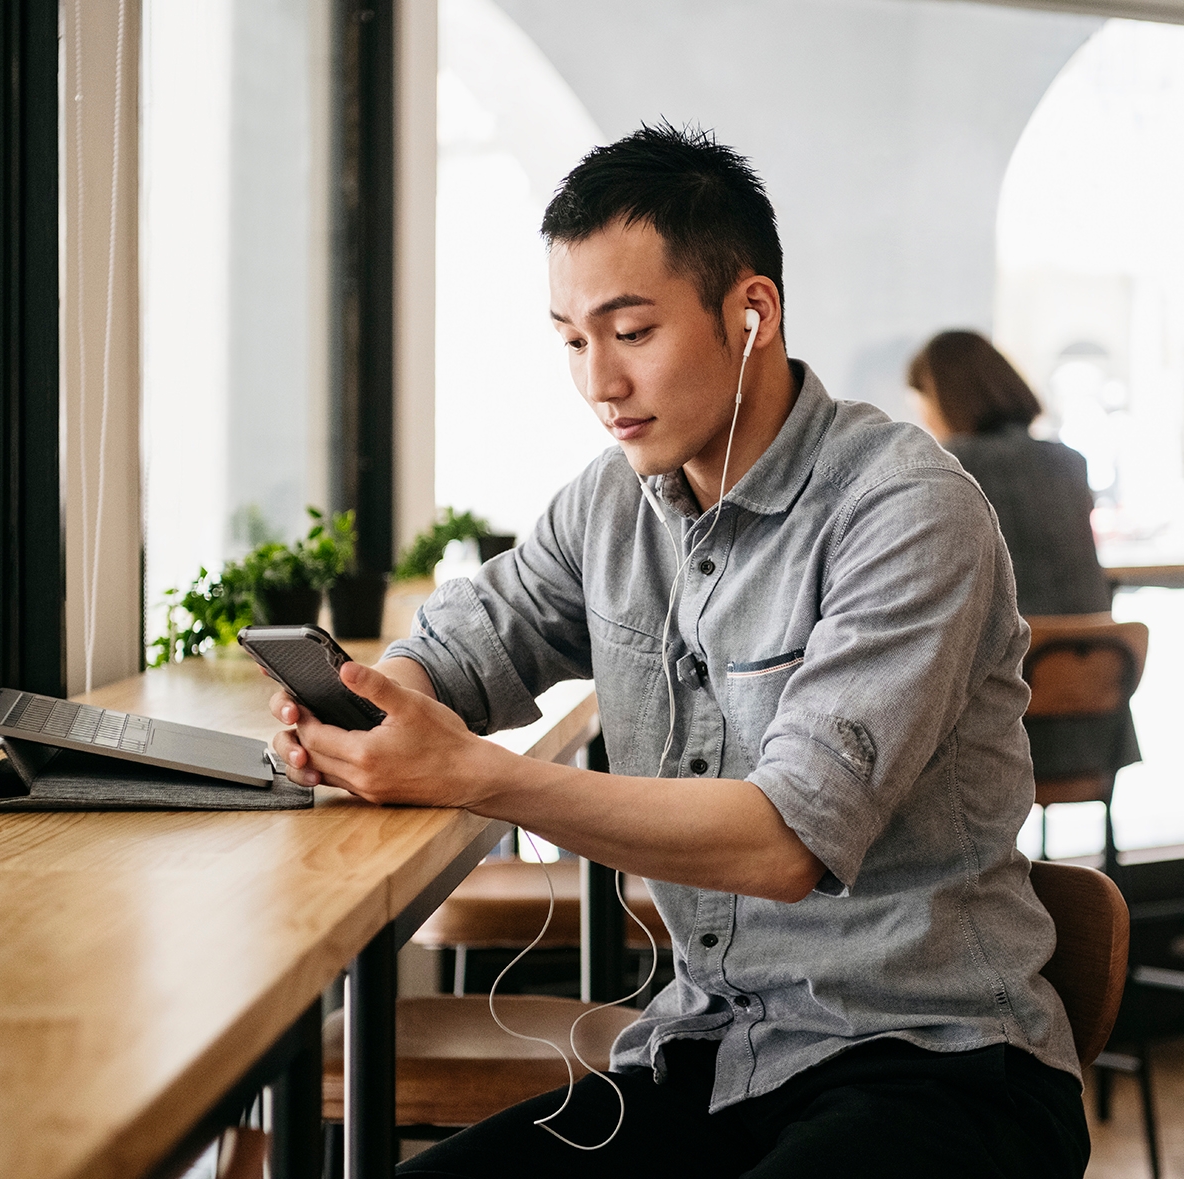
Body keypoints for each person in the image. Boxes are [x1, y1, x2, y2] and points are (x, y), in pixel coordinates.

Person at [269, 124, 1089, 1177]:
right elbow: (473, 640)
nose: (598, 382)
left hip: (934, 1061)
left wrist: (476, 775)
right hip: (709, 1047)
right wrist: (381, 706)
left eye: (631, 332)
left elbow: (784, 843)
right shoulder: (610, 506)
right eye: (571, 339)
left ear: (752, 313)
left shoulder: (906, 511)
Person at [906, 330, 1140, 786]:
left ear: (940, 398)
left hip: (1001, 734)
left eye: (920, 399)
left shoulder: (947, 467)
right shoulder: (1069, 462)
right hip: (1093, 721)